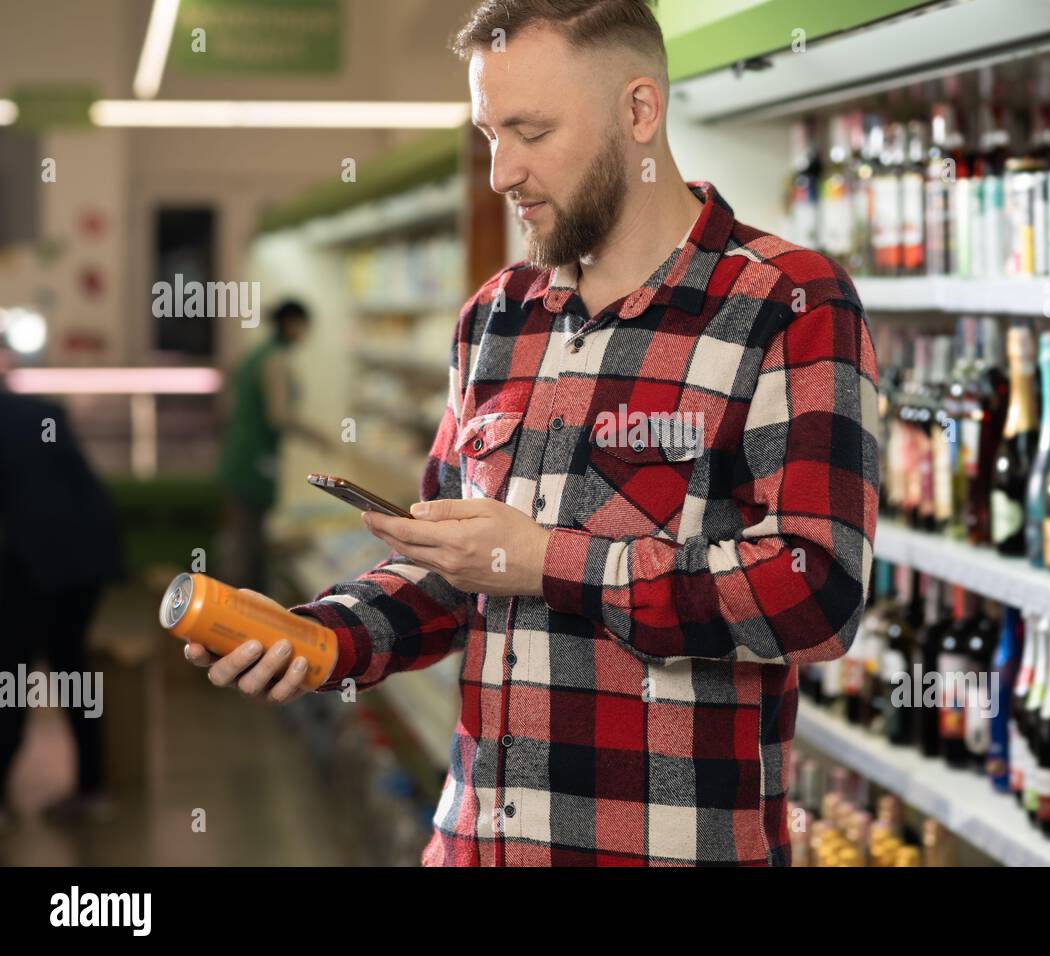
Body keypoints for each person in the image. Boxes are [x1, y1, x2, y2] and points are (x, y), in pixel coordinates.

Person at [185, 0, 879, 866]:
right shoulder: (496, 316)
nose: (499, 173)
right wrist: (326, 639)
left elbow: (818, 592)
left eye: (530, 131)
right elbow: (451, 563)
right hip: (475, 844)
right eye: (487, 135)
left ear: (639, 112)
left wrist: (544, 559)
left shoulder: (789, 302)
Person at [0, 349, 125, 829]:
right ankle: (93, 788)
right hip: (90, 553)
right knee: (70, 662)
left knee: (12, 672)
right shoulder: (42, 411)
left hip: (38, 560)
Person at [215, 299, 329, 592]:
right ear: (292, 324)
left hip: (241, 456)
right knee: (248, 544)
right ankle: (243, 612)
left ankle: (241, 606)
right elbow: (279, 416)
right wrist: (320, 436)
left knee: (244, 536)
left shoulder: (256, 354)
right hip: (255, 462)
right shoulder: (275, 360)